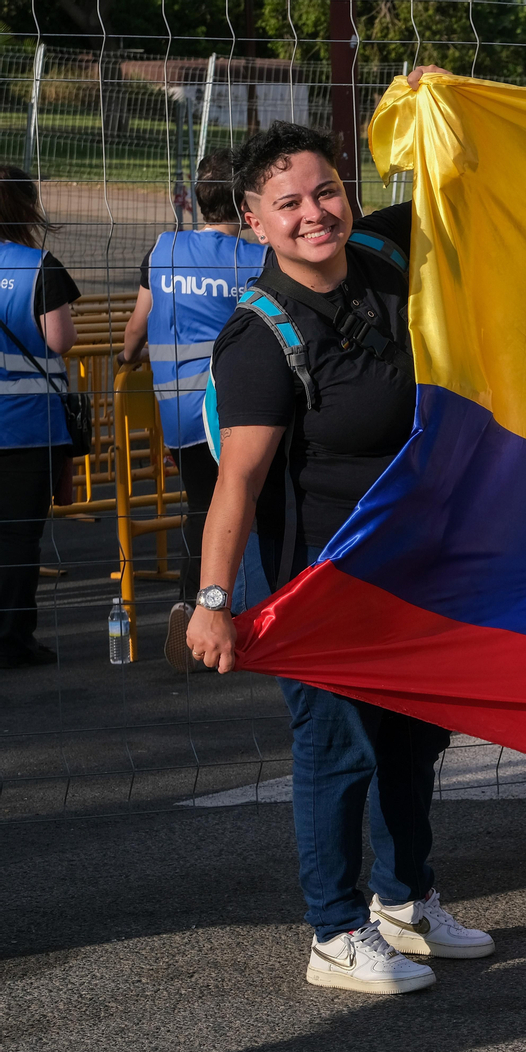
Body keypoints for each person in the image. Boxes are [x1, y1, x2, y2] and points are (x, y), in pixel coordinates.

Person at [188, 69, 494, 997]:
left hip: (411, 561)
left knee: (414, 737)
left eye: (326, 190)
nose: (314, 212)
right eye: (288, 204)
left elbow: (472, 182)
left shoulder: (383, 255)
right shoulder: (260, 338)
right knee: (337, 748)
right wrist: (212, 604)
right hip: (316, 579)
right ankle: (334, 931)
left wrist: (440, 100)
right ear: (255, 223)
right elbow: (234, 486)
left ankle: (409, 898)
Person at [120, 148, 267, 671]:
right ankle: (216, 609)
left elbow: (138, 325)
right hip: (235, 409)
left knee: (205, 507)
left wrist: (126, 357)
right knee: (243, 507)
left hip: (176, 413)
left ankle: (197, 604)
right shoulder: (257, 260)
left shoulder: (164, 250)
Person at [0, 165, 78, 669]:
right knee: (17, 537)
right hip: (27, 427)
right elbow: (61, 341)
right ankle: (11, 636)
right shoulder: (36, 266)